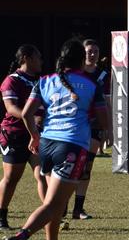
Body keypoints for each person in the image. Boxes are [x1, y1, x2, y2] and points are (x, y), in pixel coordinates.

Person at [5, 39, 108, 240]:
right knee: (53, 205)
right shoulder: (91, 84)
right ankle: (22, 235)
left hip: (47, 144)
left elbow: (27, 114)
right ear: (81, 59)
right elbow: (103, 121)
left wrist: (35, 136)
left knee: (56, 204)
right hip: (72, 146)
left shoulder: (44, 81)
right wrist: (97, 125)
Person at [0, 45, 47, 230]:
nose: (41, 61)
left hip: (35, 135)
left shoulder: (41, 81)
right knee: (11, 178)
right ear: (27, 58)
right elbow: (11, 108)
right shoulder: (12, 80)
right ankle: (2, 216)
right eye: (38, 57)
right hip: (14, 135)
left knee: (42, 174)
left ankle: (51, 214)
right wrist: (31, 118)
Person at [65, 39, 112, 223]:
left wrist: (110, 129)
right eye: (89, 51)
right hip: (75, 124)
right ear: (82, 53)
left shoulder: (103, 75)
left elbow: (107, 103)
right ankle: (62, 207)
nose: (92, 54)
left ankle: (78, 208)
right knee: (69, 166)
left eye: (95, 51)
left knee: (86, 167)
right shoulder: (74, 73)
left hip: (95, 125)